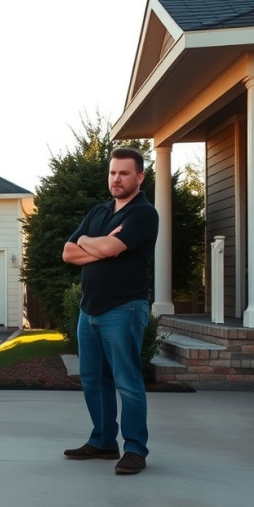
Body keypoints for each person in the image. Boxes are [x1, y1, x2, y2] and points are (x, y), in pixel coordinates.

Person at [61, 147, 159, 476]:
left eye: (124, 173)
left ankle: (135, 449)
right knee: (93, 380)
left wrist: (92, 243)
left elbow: (111, 248)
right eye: (113, 172)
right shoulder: (99, 211)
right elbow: (68, 253)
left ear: (139, 177)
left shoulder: (143, 214)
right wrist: (99, 245)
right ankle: (103, 441)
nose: (116, 179)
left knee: (127, 382)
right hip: (89, 310)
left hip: (124, 308)